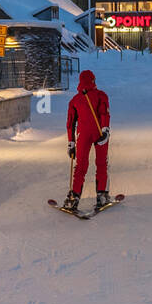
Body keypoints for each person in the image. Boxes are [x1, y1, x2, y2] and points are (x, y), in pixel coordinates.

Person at [64, 69, 111, 211]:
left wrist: (71, 142)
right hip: (99, 133)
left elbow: (70, 123)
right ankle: (101, 195)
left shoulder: (75, 100)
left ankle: (74, 197)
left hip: (83, 135)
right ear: (93, 80)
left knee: (81, 165)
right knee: (101, 163)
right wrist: (105, 130)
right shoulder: (101, 95)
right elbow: (104, 113)